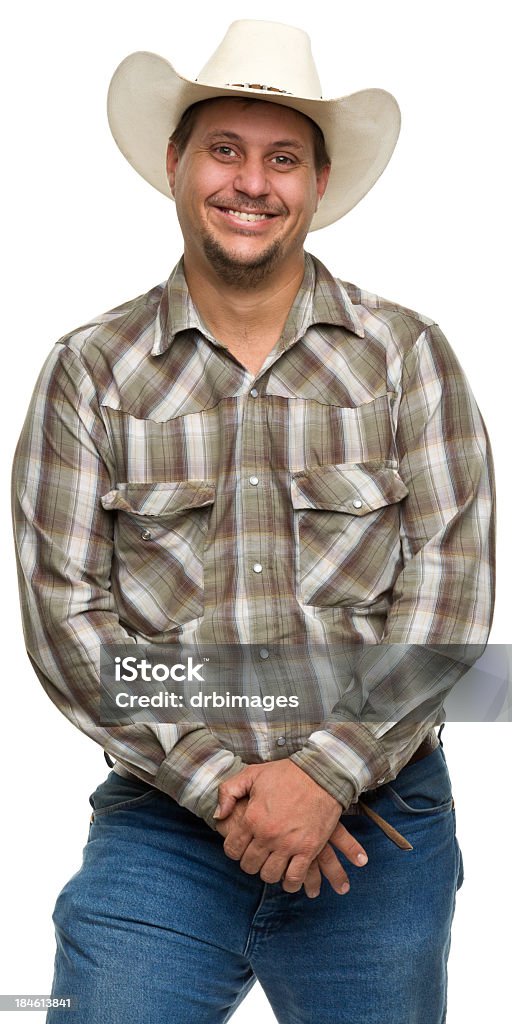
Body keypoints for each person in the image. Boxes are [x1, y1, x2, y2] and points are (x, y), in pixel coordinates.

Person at [11, 19, 495, 1024]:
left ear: (316, 185)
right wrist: (228, 789)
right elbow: (68, 621)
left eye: (282, 158)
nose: (250, 182)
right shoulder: (88, 372)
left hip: (379, 829)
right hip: (165, 828)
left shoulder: (406, 355)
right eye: (224, 149)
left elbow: (447, 589)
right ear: (174, 162)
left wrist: (323, 775)